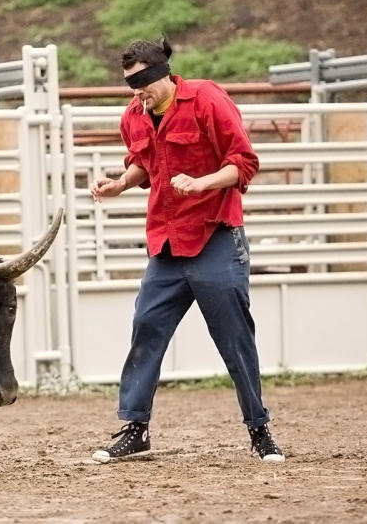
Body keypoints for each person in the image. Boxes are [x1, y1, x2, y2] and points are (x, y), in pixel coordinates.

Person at [89, 38, 284, 463]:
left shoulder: (208, 100)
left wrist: (202, 183)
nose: (135, 92)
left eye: (141, 82)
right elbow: (146, 163)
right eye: (129, 84)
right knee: (146, 327)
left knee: (234, 338)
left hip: (215, 235)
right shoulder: (134, 116)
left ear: (162, 73)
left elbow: (244, 162)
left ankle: (259, 430)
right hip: (166, 242)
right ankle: (135, 429)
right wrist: (120, 184)